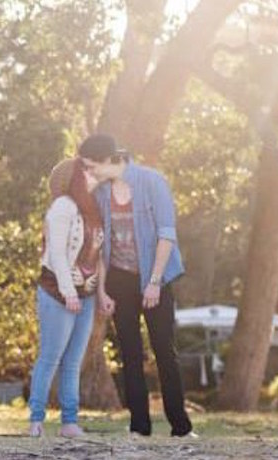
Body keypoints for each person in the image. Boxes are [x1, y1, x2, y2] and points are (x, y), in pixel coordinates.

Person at [89, 134, 196, 438]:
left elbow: (166, 234)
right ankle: (139, 426)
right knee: (130, 353)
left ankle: (181, 426)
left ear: (110, 159)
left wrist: (154, 282)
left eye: (93, 165)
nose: (91, 171)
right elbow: (99, 246)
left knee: (164, 349)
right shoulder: (100, 194)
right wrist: (102, 290)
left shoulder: (152, 181)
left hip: (155, 275)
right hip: (120, 278)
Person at [27, 138, 120, 438]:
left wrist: (101, 292)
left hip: (86, 295)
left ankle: (69, 423)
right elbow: (56, 254)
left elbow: (99, 256)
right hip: (57, 291)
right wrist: (67, 292)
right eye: (88, 173)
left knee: (73, 361)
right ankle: (36, 421)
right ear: (73, 178)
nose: (94, 176)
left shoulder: (94, 212)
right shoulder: (62, 207)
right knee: (50, 357)